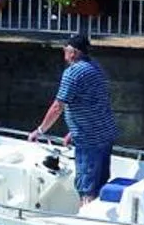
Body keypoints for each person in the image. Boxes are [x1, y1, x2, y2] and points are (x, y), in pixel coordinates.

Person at [30, 33, 119, 202]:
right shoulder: (95, 66)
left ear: (74, 53)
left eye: (66, 48)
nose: (64, 51)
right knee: (100, 182)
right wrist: (73, 131)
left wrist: (40, 131)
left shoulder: (72, 73)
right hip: (105, 134)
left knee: (86, 187)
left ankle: (86, 217)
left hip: (89, 139)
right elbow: (94, 102)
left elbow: (58, 106)